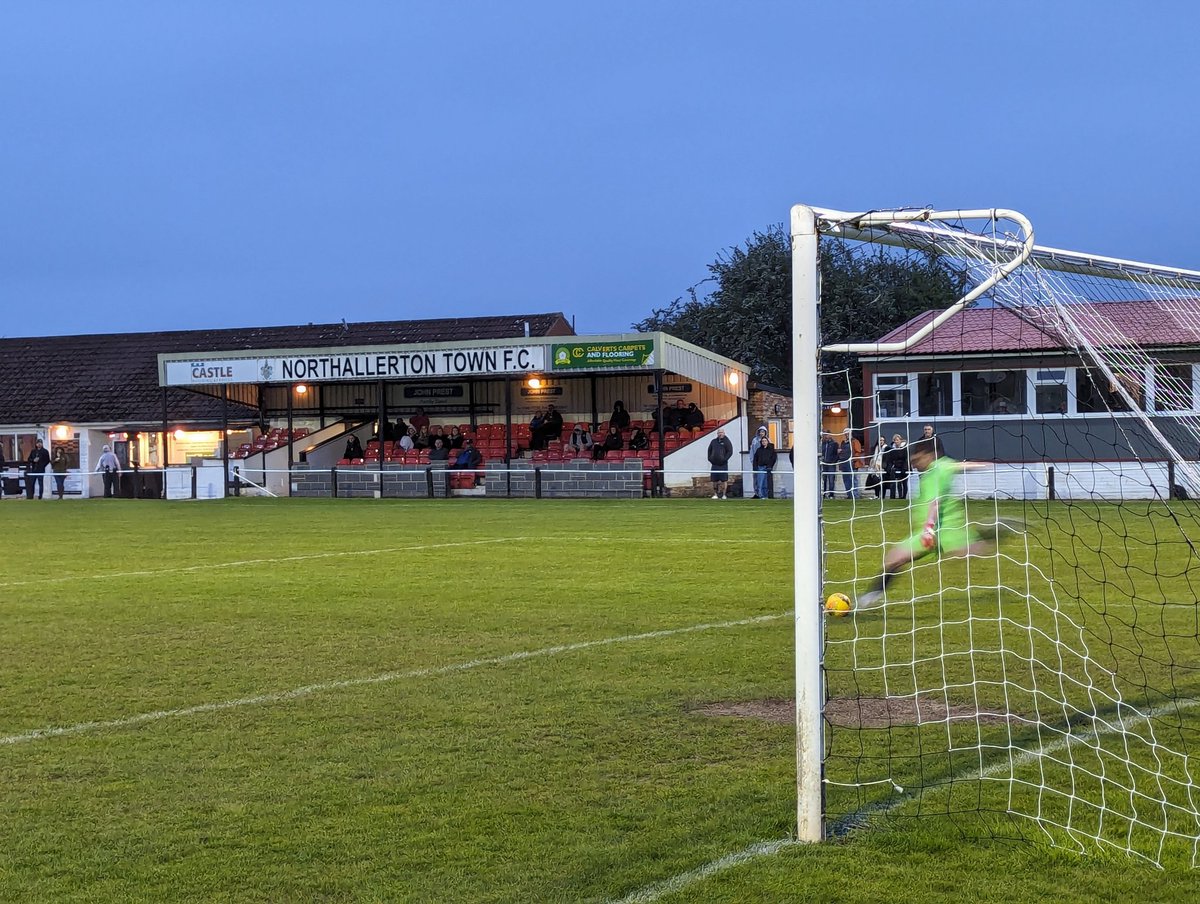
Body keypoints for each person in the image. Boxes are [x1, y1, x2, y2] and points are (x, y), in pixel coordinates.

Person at [856, 437, 1014, 610]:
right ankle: (993, 531)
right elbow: (959, 466)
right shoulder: (944, 465)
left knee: (893, 559)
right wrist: (982, 465)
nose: (914, 463)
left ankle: (868, 598)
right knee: (972, 550)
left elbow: (935, 502)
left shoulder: (934, 473)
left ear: (929, 455)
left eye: (917, 458)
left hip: (934, 533)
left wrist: (928, 529)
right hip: (949, 532)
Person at [707, 427, 734, 499]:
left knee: (724, 480)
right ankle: (715, 494)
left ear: (724, 433)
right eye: (719, 433)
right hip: (714, 464)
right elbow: (709, 450)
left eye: (721, 432)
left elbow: (730, 451)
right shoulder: (713, 441)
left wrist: (724, 459)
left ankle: (724, 495)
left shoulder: (727, 441)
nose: (720, 434)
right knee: (714, 480)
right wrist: (710, 459)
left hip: (723, 464)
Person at [883, 434, 909, 499]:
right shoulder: (892, 449)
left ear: (900, 440)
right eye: (895, 440)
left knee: (904, 483)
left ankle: (904, 497)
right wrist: (889, 467)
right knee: (897, 482)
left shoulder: (905, 448)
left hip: (904, 468)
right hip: (896, 467)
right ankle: (895, 496)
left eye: (897, 440)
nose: (896, 441)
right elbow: (890, 459)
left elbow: (906, 459)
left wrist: (905, 468)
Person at [752, 434, 777, 499]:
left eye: (765, 441)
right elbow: (755, 459)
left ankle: (766, 496)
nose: (764, 442)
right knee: (760, 483)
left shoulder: (771, 450)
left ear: (767, 441)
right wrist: (755, 467)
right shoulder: (759, 450)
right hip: (760, 467)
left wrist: (770, 466)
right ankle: (761, 495)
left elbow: (773, 458)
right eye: (762, 441)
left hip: (768, 468)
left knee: (766, 483)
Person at [837, 429, 858, 499]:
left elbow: (858, 452)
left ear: (850, 433)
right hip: (844, 463)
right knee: (846, 479)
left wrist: (854, 460)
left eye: (847, 433)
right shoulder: (843, 442)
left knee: (853, 479)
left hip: (851, 463)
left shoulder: (855, 441)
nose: (846, 435)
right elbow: (841, 451)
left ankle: (855, 495)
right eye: (845, 434)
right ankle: (849, 495)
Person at [749, 426, 769, 498]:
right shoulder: (754, 440)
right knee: (755, 479)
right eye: (760, 432)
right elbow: (752, 452)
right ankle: (756, 493)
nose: (761, 433)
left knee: (763, 480)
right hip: (756, 463)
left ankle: (763, 494)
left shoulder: (768, 441)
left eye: (763, 432)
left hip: (763, 464)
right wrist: (752, 461)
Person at [820, 432, 839, 499]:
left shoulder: (834, 444)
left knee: (831, 479)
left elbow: (837, 454)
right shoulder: (822, 444)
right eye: (825, 435)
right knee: (824, 479)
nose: (826, 436)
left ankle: (831, 494)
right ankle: (824, 494)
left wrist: (833, 461)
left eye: (827, 435)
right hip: (824, 464)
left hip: (831, 464)